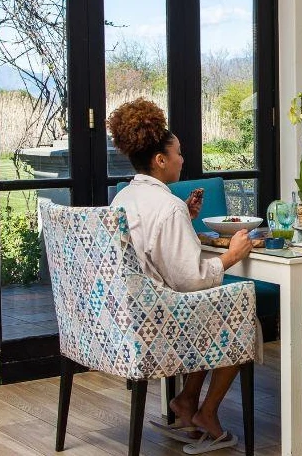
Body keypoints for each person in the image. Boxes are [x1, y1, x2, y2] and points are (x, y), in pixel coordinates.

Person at [107, 98, 253, 453]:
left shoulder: (123, 198)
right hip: (157, 324)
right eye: (178, 153)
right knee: (241, 313)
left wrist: (183, 219)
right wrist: (232, 256)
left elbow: (152, 248)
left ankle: (187, 401)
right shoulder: (168, 206)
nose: (182, 160)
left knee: (213, 312)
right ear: (160, 160)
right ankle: (207, 412)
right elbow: (191, 280)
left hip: (125, 318)